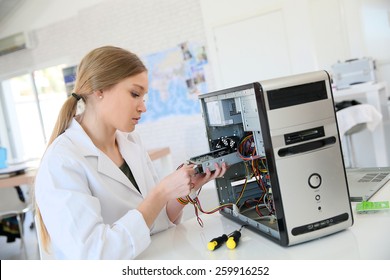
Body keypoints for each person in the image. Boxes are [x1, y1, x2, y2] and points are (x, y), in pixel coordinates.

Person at [34, 46, 227, 259]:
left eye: (143, 97)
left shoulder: (131, 141)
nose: (143, 107)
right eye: (135, 94)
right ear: (99, 91)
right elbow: (95, 255)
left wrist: (181, 194)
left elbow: (154, 221)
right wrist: (160, 192)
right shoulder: (61, 162)